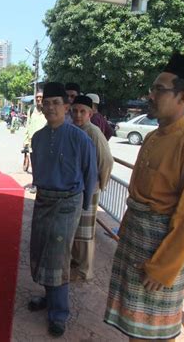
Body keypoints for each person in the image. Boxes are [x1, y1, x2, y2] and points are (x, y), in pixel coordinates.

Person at [104, 53, 184, 341]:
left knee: (154, 334)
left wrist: (162, 269)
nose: (151, 94)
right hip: (137, 242)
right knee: (135, 331)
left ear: (183, 98)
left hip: (160, 253)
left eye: (159, 89)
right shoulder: (152, 136)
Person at [28, 82, 97, 337]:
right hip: (44, 200)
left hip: (68, 204)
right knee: (41, 251)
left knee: (58, 257)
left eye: (56, 103)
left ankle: (59, 314)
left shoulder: (80, 138)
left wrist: (85, 206)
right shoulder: (38, 137)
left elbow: (91, 174)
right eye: (46, 103)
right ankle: (49, 299)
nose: (50, 108)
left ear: (66, 107)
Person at [70, 95, 114, 281]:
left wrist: (98, 186)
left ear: (90, 113)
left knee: (86, 231)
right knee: (76, 228)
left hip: (90, 188)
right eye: (75, 111)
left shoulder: (93, 132)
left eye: (83, 111)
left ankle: (85, 271)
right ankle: (76, 262)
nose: (78, 115)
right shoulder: (73, 129)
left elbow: (107, 161)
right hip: (76, 188)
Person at [22, 91, 47, 191]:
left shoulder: (47, 111)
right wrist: (25, 141)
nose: (38, 99)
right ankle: (35, 185)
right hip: (33, 142)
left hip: (45, 142)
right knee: (35, 165)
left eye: (41, 97)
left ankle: (42, 185)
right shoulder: (31, 110)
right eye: (37, 97)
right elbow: (28, 126)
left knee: (43, 165)